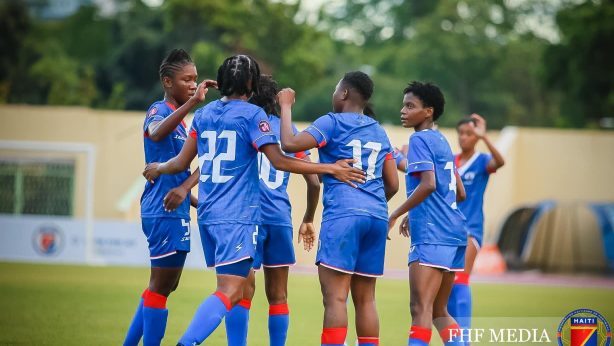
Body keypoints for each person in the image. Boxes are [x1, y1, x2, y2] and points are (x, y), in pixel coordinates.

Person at [142, 54, 365, 346]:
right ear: (251, 83)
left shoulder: (204, 114)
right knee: (233, 290)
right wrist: (330, 167)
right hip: (238, 216)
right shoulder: (253, 116)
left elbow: (182, 162)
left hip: (209, 215)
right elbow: (279, 160)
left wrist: (158, 167)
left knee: (236, 289)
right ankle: (187, 342)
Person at [277, 71, 399, 346]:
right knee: (366, 299)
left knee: (336, 298)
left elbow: (289, 144)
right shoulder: (379, 130)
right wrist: (371, 205)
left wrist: (285, 105)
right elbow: (392, 183)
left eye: (335, 90)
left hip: (344, 215)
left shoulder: (331, 123)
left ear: (344, 94)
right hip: (376, 217)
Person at [123, 49, 216, 346]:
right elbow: (155, 133)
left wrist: (194, 199)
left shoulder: (183, 124)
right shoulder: (159, 110)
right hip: (161, 209)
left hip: (173, 209)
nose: (192, 84)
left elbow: (176, 176)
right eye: (186, 80)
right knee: (161, 287)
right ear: (167, 81)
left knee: (164, 286)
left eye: (195, 79)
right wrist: (192, 102)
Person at [221, 75, 322, 346]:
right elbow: (314, 181)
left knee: (241, 291)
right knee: (279, 295)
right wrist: (309, 218)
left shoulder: (246, 125)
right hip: (279, 217)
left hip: (247, 217)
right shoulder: (288, 131)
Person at [388, 81, 467, 346]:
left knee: (420, 309)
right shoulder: (442, 141)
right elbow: (459, 191)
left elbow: (429, 183)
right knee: (438, 311)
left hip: (433, 235)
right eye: (404, 105)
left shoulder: (419, 139)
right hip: (455, 234)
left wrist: (396, 213)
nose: (403, 111)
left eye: (411, 106)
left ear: (428, 111)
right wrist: (418, 208)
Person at [447, 114, 505, 331]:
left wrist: (485, 137)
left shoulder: (481, 162)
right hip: (447, 229)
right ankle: (454, 336)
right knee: (447, 285)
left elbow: (500, 162)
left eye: (469, 134)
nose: (464, 137)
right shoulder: (450, 161)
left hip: (470, 228)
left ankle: (464, 338)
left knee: (461, 277)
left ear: (476, 136)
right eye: (461, 133)